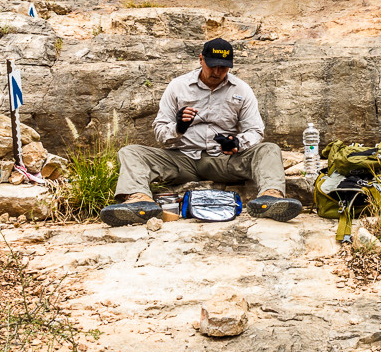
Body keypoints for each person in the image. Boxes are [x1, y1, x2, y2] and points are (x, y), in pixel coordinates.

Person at [100, 38, 303, 226]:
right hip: (182, 159)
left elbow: (255, 131)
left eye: (223, 67)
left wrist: (237, 143)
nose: (216, 72)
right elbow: (160, 133)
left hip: (224, 160)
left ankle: (271, 199)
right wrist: (178, 128)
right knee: (130, 152)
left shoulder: (241, 89)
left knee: (269, 149)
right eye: (212, 66)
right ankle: (139, 202)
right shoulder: (177, 87)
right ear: (200, 59)